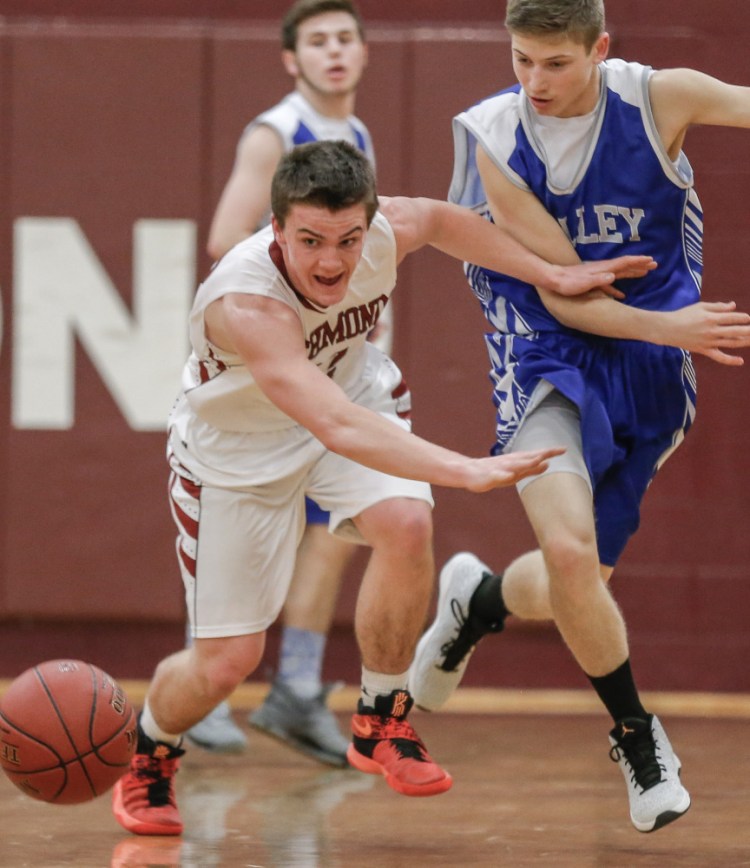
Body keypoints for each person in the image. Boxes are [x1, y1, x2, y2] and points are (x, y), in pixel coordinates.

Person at [111, 139, 655, 836]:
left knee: (404, 523)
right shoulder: (247, 304)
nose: (332, 262)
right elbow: (332, 425)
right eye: (309, 241)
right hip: (240, 453)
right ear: (276, 229)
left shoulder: (385, 230)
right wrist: (463, 468)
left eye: (347, 239)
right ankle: (153, 751)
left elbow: (444, 222)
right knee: (227, 662)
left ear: (369, 225)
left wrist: (553, 272)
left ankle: (381, 717)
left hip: (350, 395)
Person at [409, 0, 750, 836]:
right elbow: (574, 297)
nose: (535, 81)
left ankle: (479, 602)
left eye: (555, 63)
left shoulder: (660, 99)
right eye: (522, 59)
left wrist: (667, 335)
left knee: (579, 581)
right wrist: (672, 325)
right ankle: (638, 737)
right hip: (545, 354)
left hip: (651, 372)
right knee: (567, 550)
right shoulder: (496, 136)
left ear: (599, 48)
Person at [187, 0, 375, 764]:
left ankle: (297, 687)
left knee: (340, 527)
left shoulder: (355, 136)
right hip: (271, 362)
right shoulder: (276, 132)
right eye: (318, 42)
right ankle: (204, 691)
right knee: (244, 526)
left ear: (364, 53)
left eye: (346, 38)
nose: (335, 52)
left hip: (341, 356)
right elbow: (224, 237)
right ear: (293, 60)